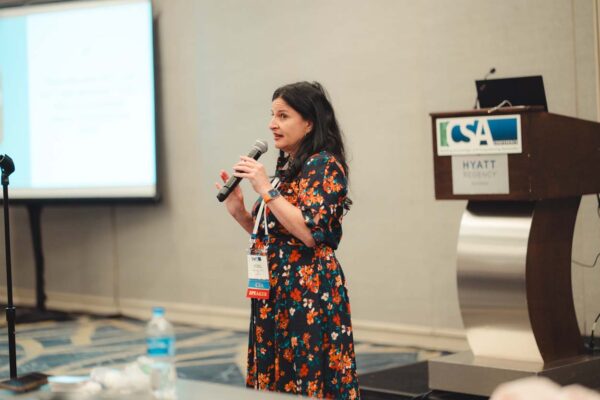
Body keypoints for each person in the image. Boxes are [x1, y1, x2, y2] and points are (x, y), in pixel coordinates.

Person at [215, 81, 359, 399]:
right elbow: (277, 235)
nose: (272, 124)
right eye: (272, 115)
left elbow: (308, 234)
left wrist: (265, 188)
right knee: (279, 378)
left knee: (307, 376)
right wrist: (240, 212)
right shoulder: (289, 169)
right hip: (275, 290)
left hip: (308, 292)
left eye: (283, 116)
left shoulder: (324, 165)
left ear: (309, 122)